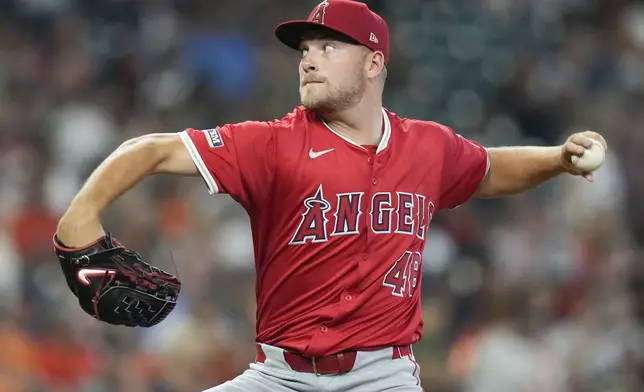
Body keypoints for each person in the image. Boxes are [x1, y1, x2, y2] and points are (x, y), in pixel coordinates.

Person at [54, 1, 608, 391]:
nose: (308, 58)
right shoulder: (272, 144)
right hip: (279, 376)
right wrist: (78, 219)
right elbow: (149, 149)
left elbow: (489, 169)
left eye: (327, 46)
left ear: (373, 63)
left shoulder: (428, 147)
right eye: (305, 49)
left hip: (381, 377)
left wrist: (556, 158)